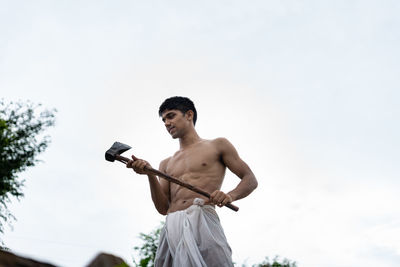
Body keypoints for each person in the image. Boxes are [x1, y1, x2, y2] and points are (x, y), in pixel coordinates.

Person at [126, 96, 258, 267]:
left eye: (171, 116)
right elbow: (163, 208)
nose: (166, 123)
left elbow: (250, 179)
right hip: (173, 225)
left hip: (203, 219)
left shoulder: (217, 145)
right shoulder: (165, 163)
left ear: (189, 115)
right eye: (164, 120)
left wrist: (229, 196)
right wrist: (150, 175)